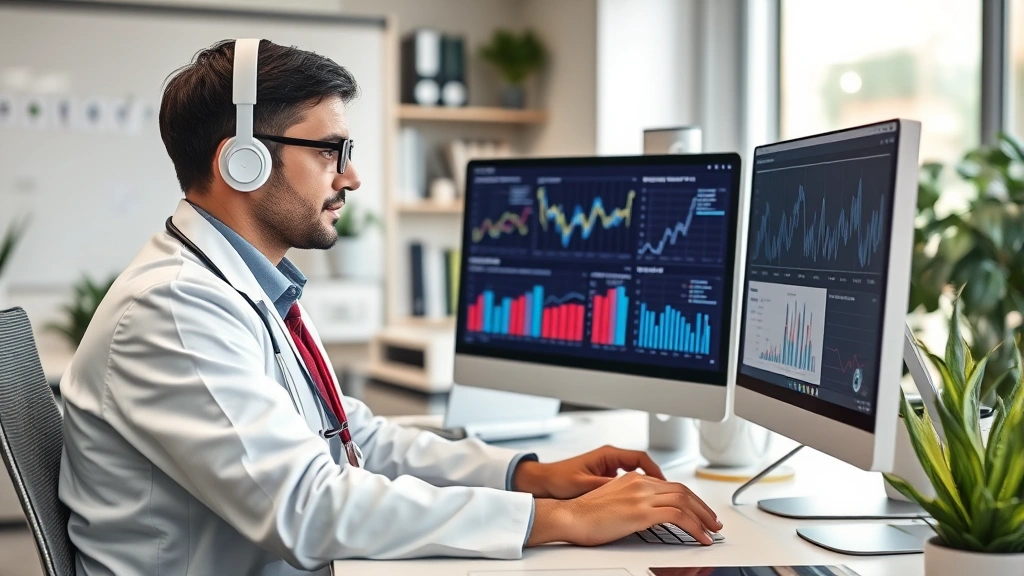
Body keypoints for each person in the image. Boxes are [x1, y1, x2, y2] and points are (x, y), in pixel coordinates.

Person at [58, 39, 722, 576]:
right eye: (330, 151)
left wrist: (530, 476)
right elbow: (307, 507)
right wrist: (561, 521)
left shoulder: (246, 283)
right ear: (244, 163)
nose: (351, 176)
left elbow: (350, 438)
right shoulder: (175, 309)